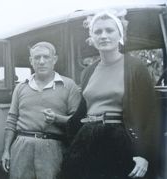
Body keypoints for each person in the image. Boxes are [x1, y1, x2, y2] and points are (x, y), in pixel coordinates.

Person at [62, 10, 160, 179]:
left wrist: (145, 155)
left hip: (120, 141)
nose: (103, 36)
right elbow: (81, 112)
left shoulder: (136, 67)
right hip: (88, 139)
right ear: (92, 38)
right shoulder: (88, 71)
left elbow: (150, 115)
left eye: (109, 30)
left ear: (120, 34)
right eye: (98, 32)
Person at [1, 41, 81, 179]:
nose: (41, 61)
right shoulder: (21, 87)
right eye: (37, 58)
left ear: (54, 59)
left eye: (46, 57)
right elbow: (11, 121)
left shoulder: (69, 85)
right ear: (31, 61)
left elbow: (77, 122)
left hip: (53, 149)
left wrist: (57, 119)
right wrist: (6, 151)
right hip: (21, 147)